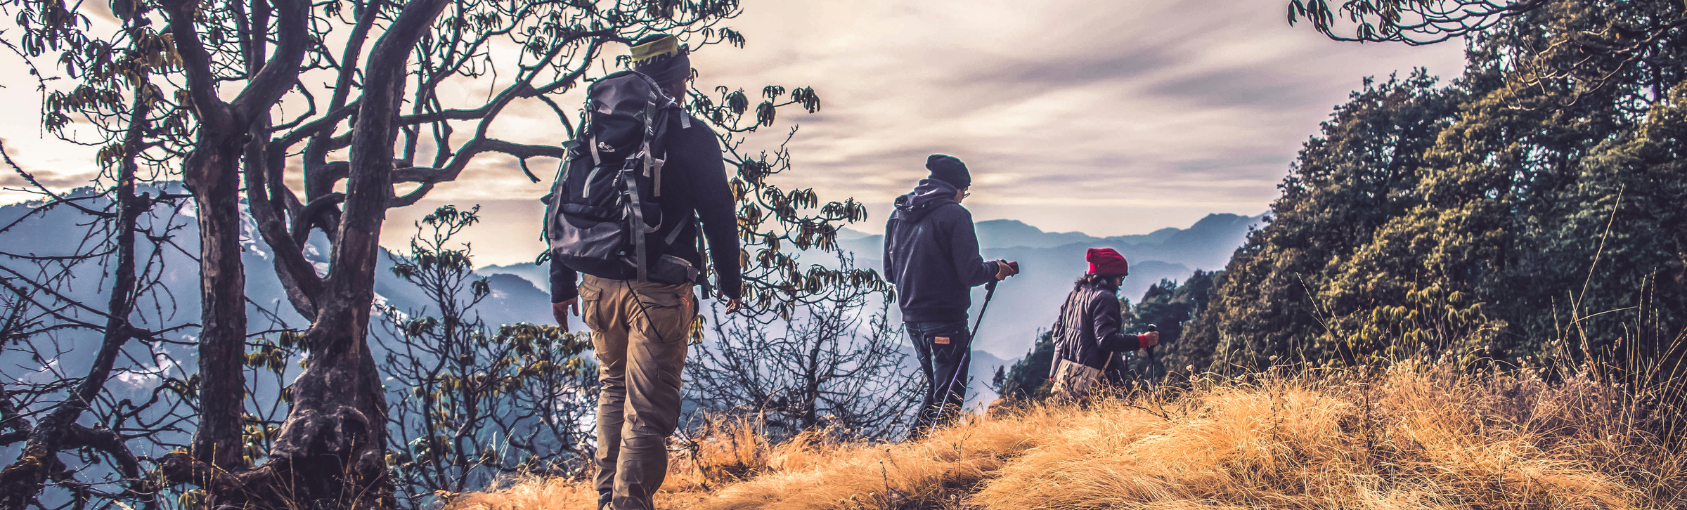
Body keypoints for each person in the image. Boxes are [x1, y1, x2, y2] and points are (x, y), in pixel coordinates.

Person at [549, 34, 741, 510]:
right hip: (657, 290)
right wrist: (729, 279)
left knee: (613, 388)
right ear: (678, 78)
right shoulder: (689, 132)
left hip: (596, 283)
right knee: (648, 410)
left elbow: (564, 201)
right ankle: (629, 505)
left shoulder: (596, 129)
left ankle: (607, 500)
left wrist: (562, 284)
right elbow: (718, 212)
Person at [884, 154, 1019, 437]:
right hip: (946, 320)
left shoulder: (898, 214)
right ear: (956, 187)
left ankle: (912, 453)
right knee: (949, 397)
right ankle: (934, 462)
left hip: (911, 318)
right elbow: (970, 273)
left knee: (937, 390)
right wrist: (996, 269)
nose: (963, 198)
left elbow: (889, 273)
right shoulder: (956, 215)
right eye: (965, 192)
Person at [1049, 248, 1158, 401]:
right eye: (1120, 277)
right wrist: (1143, 341)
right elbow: (1106, 340)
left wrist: (1055, 371)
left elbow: (1059, 335)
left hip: (1069, 379)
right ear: (1109, 276)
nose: (1120, 283)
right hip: (1098, 381)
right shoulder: (1105, 298)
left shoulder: (1074, 295)